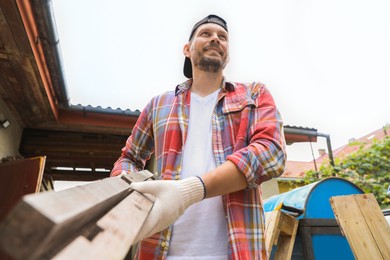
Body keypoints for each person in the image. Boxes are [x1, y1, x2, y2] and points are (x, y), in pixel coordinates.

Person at [111, 14, 286, 259]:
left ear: (228, 54)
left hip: (236, 250)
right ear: (187, 49)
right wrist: (133, 189)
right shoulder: (158, 105)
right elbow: (129, 157)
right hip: (160, 250)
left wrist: (189, 191)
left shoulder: (254, 95)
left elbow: (271, 153)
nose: (215, 38)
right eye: (206, 34)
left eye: (222, 37)